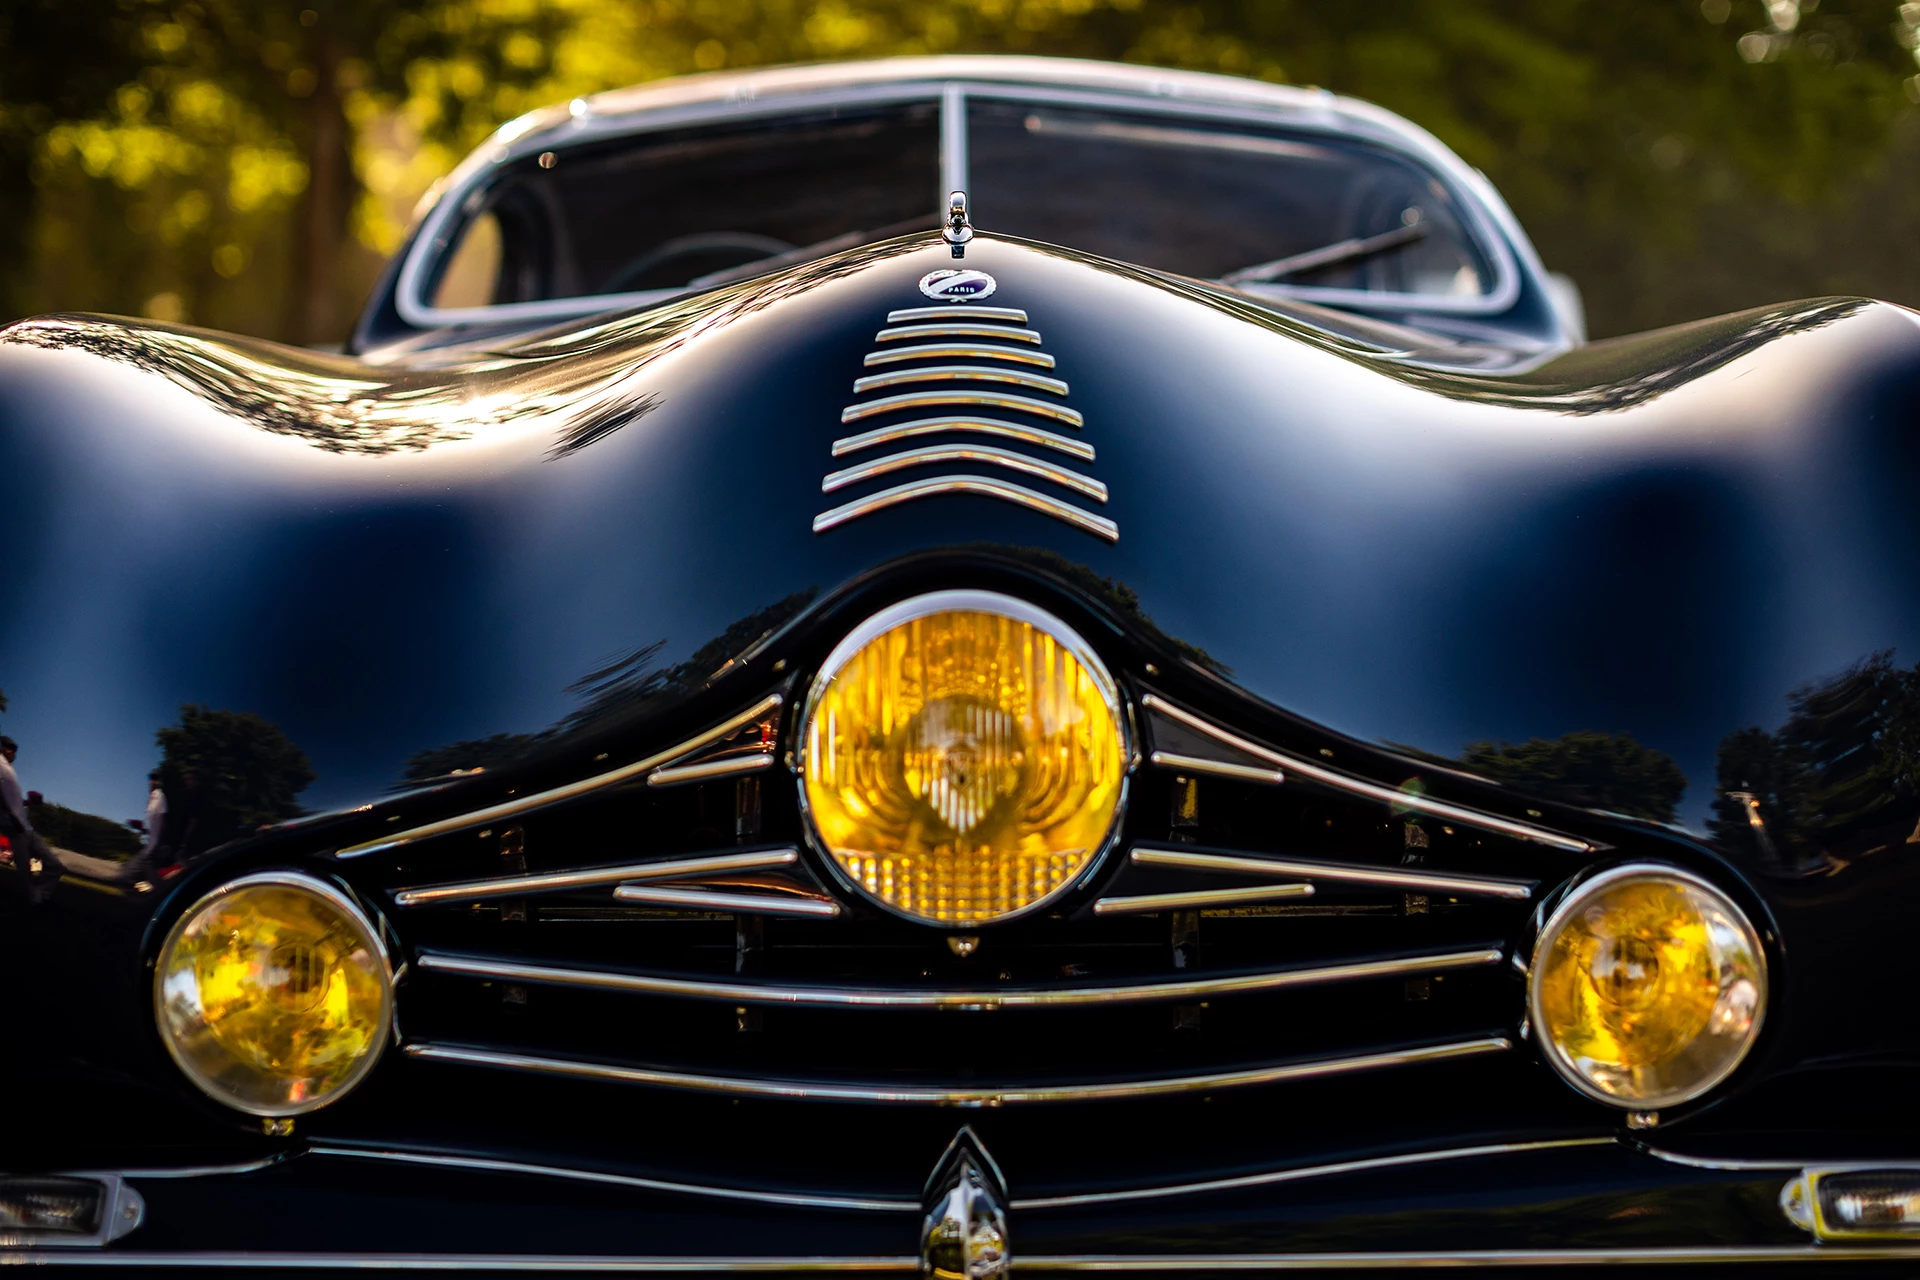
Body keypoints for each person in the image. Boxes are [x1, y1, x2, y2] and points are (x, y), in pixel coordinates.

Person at [0, 736, 58, 900]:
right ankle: (32, 899)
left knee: (55, 865)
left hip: (25, 826)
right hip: (14, 826)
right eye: (8, 748)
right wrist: (12, 817)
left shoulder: (9, 769)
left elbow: (11, 799)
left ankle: (38, 896)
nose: (12, 753)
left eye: (14, 750)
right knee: (24, 869)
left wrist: (28, 802)